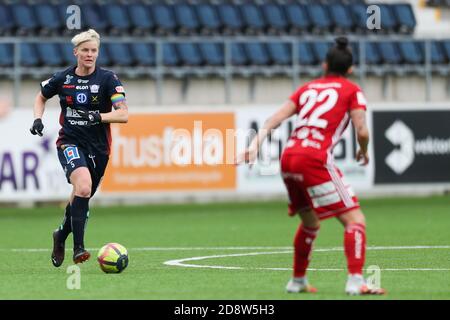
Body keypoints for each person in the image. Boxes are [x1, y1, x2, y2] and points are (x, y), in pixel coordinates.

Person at [236, 37, 385, 295]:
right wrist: (364, 151)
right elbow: (361, 130)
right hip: (314, 158)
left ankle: (297, 281)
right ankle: (355, 281)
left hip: (289, 157)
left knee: (310, 222)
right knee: (355, 219)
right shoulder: (352, 90)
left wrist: (254, 145)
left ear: (324, 64)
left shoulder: (306, 89)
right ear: (350, 69)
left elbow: (274, 119)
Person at [30, 29, 128, 266]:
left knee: (80, 198)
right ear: (76, 52)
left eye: (94, 50)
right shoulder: (63, 78)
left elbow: (123, 114)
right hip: (70, 143)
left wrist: (98, 117)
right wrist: (37, 119)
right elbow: (41, 96)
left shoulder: (108, 80)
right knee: (83, 187)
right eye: (85, 50)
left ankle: (61, 235)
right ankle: (79, 249)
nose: (90, 54)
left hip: (99, 149)